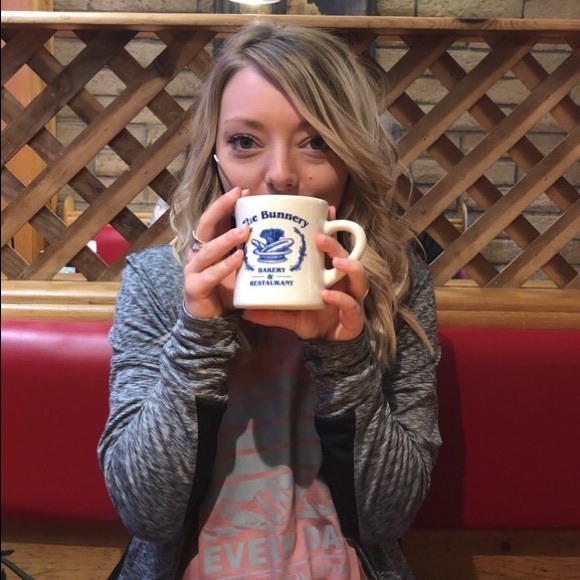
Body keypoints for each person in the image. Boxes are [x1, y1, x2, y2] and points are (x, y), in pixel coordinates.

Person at [98, 20, 441, 580]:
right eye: (245, 141)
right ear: (214, 156)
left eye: (316, 142)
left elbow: (387, 518)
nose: (281, 174)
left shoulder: (398, 283)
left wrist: (346, 357)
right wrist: (198, 331)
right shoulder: (158, 282)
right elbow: (146, 514)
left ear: (351, 156)